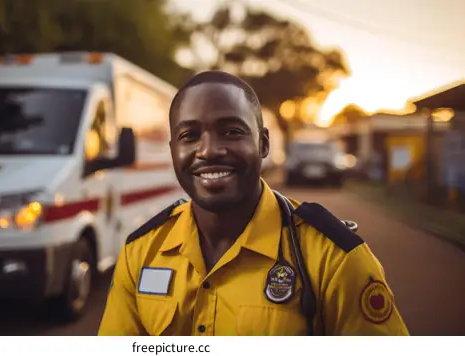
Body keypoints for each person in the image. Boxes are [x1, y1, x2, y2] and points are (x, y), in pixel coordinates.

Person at [98, 71, 409, 336]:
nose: (208, 151)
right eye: (189, 135)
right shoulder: (140, 252)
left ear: (263, 144)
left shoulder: (334, 260)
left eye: (232, 132)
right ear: (173, 150)